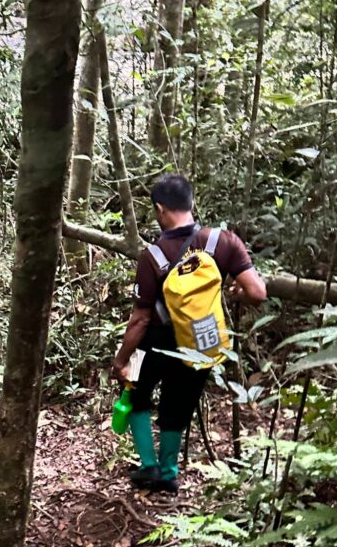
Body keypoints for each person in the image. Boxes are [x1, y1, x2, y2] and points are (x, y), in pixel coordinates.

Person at [110, 174, 267, 493]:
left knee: (136, 396)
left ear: (159, 209)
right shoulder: (223, 242)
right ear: (191, 203)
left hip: (151, 344)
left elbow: (140, 318)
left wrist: (121, 359)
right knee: (177, 405)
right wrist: (235, 292)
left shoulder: (152, 255)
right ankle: (168, 474)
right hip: (200, 340)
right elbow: (258, 293)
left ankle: (148, 466)